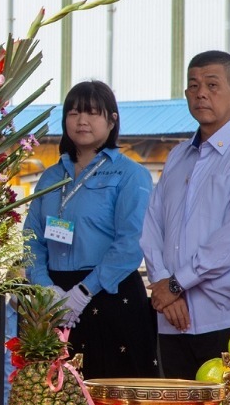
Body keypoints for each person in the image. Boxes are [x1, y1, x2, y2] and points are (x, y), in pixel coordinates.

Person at [141, 50, 230, 379]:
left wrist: (178, 284)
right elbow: (152, 227)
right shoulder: (178, 155)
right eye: (193, 86)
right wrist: (165, 285)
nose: (201, 94)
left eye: (212, 85)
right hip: (173, 320)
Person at [24, 80, 156, 380]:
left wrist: (84, 291)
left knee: (111, 399)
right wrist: (46, 289)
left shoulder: (130, 173)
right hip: (54, 300)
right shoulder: (50, 177)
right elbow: (31, 238)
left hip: (109, 295)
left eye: (93, 113)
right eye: (73, 112)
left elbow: (130, 244)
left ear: (112, 120)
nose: (82, 120)